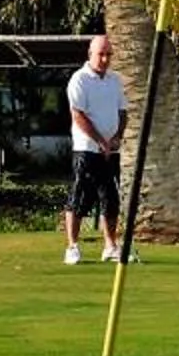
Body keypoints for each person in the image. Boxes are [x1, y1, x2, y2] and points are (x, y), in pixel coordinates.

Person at [62, 33, 126, 265]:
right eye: (101, 54)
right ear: (91, 54)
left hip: (111, 151)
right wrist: (100, 140)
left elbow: (122, 112)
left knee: (110, 198)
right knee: (80, 197)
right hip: (86, 149)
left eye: (109, 54)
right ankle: (72, 246)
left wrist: (117, 138)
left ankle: (110, 246)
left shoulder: (114, 80)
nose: (105, 59)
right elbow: (78, 115)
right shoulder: (79, 79)